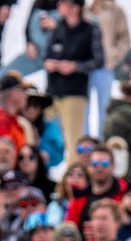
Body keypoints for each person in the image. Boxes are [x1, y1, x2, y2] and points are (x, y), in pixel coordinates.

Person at [43, 0, 101, 141]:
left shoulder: (90, 30)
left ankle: (74, 164)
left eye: (64, 2)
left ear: (75, 7)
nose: (59, 5)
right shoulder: (57, 29)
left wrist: (75, 66)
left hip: (74, 92)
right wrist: (49, 64)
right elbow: (46, 55)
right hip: (52, 92)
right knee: (43, 134)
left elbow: (98, 61)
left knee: (74, 140)